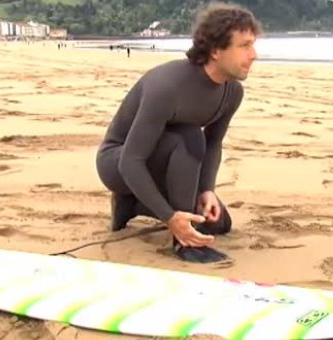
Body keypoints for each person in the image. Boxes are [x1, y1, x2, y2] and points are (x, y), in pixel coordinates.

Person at [95, 3, 261, 263]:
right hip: (118, 162)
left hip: (164, 158)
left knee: (218, 223)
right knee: (190, 136)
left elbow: (213, 144)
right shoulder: (167, 87)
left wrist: (207, 190)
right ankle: (184, 242)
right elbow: (131, 160)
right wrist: (171, 218)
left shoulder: (232, 92)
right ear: (216, 50)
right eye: (245, 45)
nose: (254, 55)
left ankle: (131, 205)